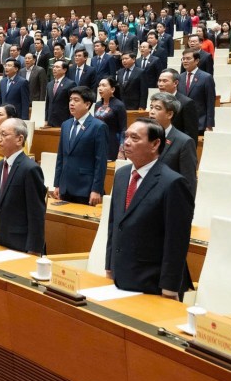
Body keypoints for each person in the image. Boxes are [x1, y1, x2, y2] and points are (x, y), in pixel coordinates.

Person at [105, 118, 194, 299]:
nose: (127, 142)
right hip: (122, 277)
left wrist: (170, 287)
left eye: (135, 138)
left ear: (155, 144)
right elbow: (115, 224)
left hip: (154, 283)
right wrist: (110, 266)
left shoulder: (173, 182)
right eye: (126, 136)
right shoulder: (121, 175)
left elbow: (176, 240)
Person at [0, 118, 46, 254]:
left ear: (19, 139)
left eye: (4, 134)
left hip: (21, 244)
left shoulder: (30, 169)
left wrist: (34, 249)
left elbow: (36, 213)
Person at [53, 86, 108, 205]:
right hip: (65, 187)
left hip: (85, 189)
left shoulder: (98, 126)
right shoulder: (65, 125)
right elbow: (61, 157)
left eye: (76, 100)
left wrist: (96, 189)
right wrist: (57, 184)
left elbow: (101, 161)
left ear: (87, 104)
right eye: (70, 99)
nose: (71, 103)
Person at [146, 93, 197, 198]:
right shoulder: (145, 137)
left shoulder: (184, 142)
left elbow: (188, 182)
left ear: (169, 114)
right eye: (151, 107)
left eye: (157, 108)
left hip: (169, 199)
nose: (152, 112)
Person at [178, 50, 215, 132]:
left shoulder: (206, 77)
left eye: (188, 58)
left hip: (200, 123)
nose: (185, 61)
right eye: (183, 59)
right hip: (182, 124)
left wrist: (209, 124)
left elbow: (210, 102)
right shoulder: (179, 77)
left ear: (197, 61)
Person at [93, 77, 127, 161]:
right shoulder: (97, 105)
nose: (100, 88)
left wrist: (121, 150)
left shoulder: (119, 105)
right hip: (97, 142)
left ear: (112, 89)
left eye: (103, 85)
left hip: (112, 143)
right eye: (99, 85)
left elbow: (123, 129)